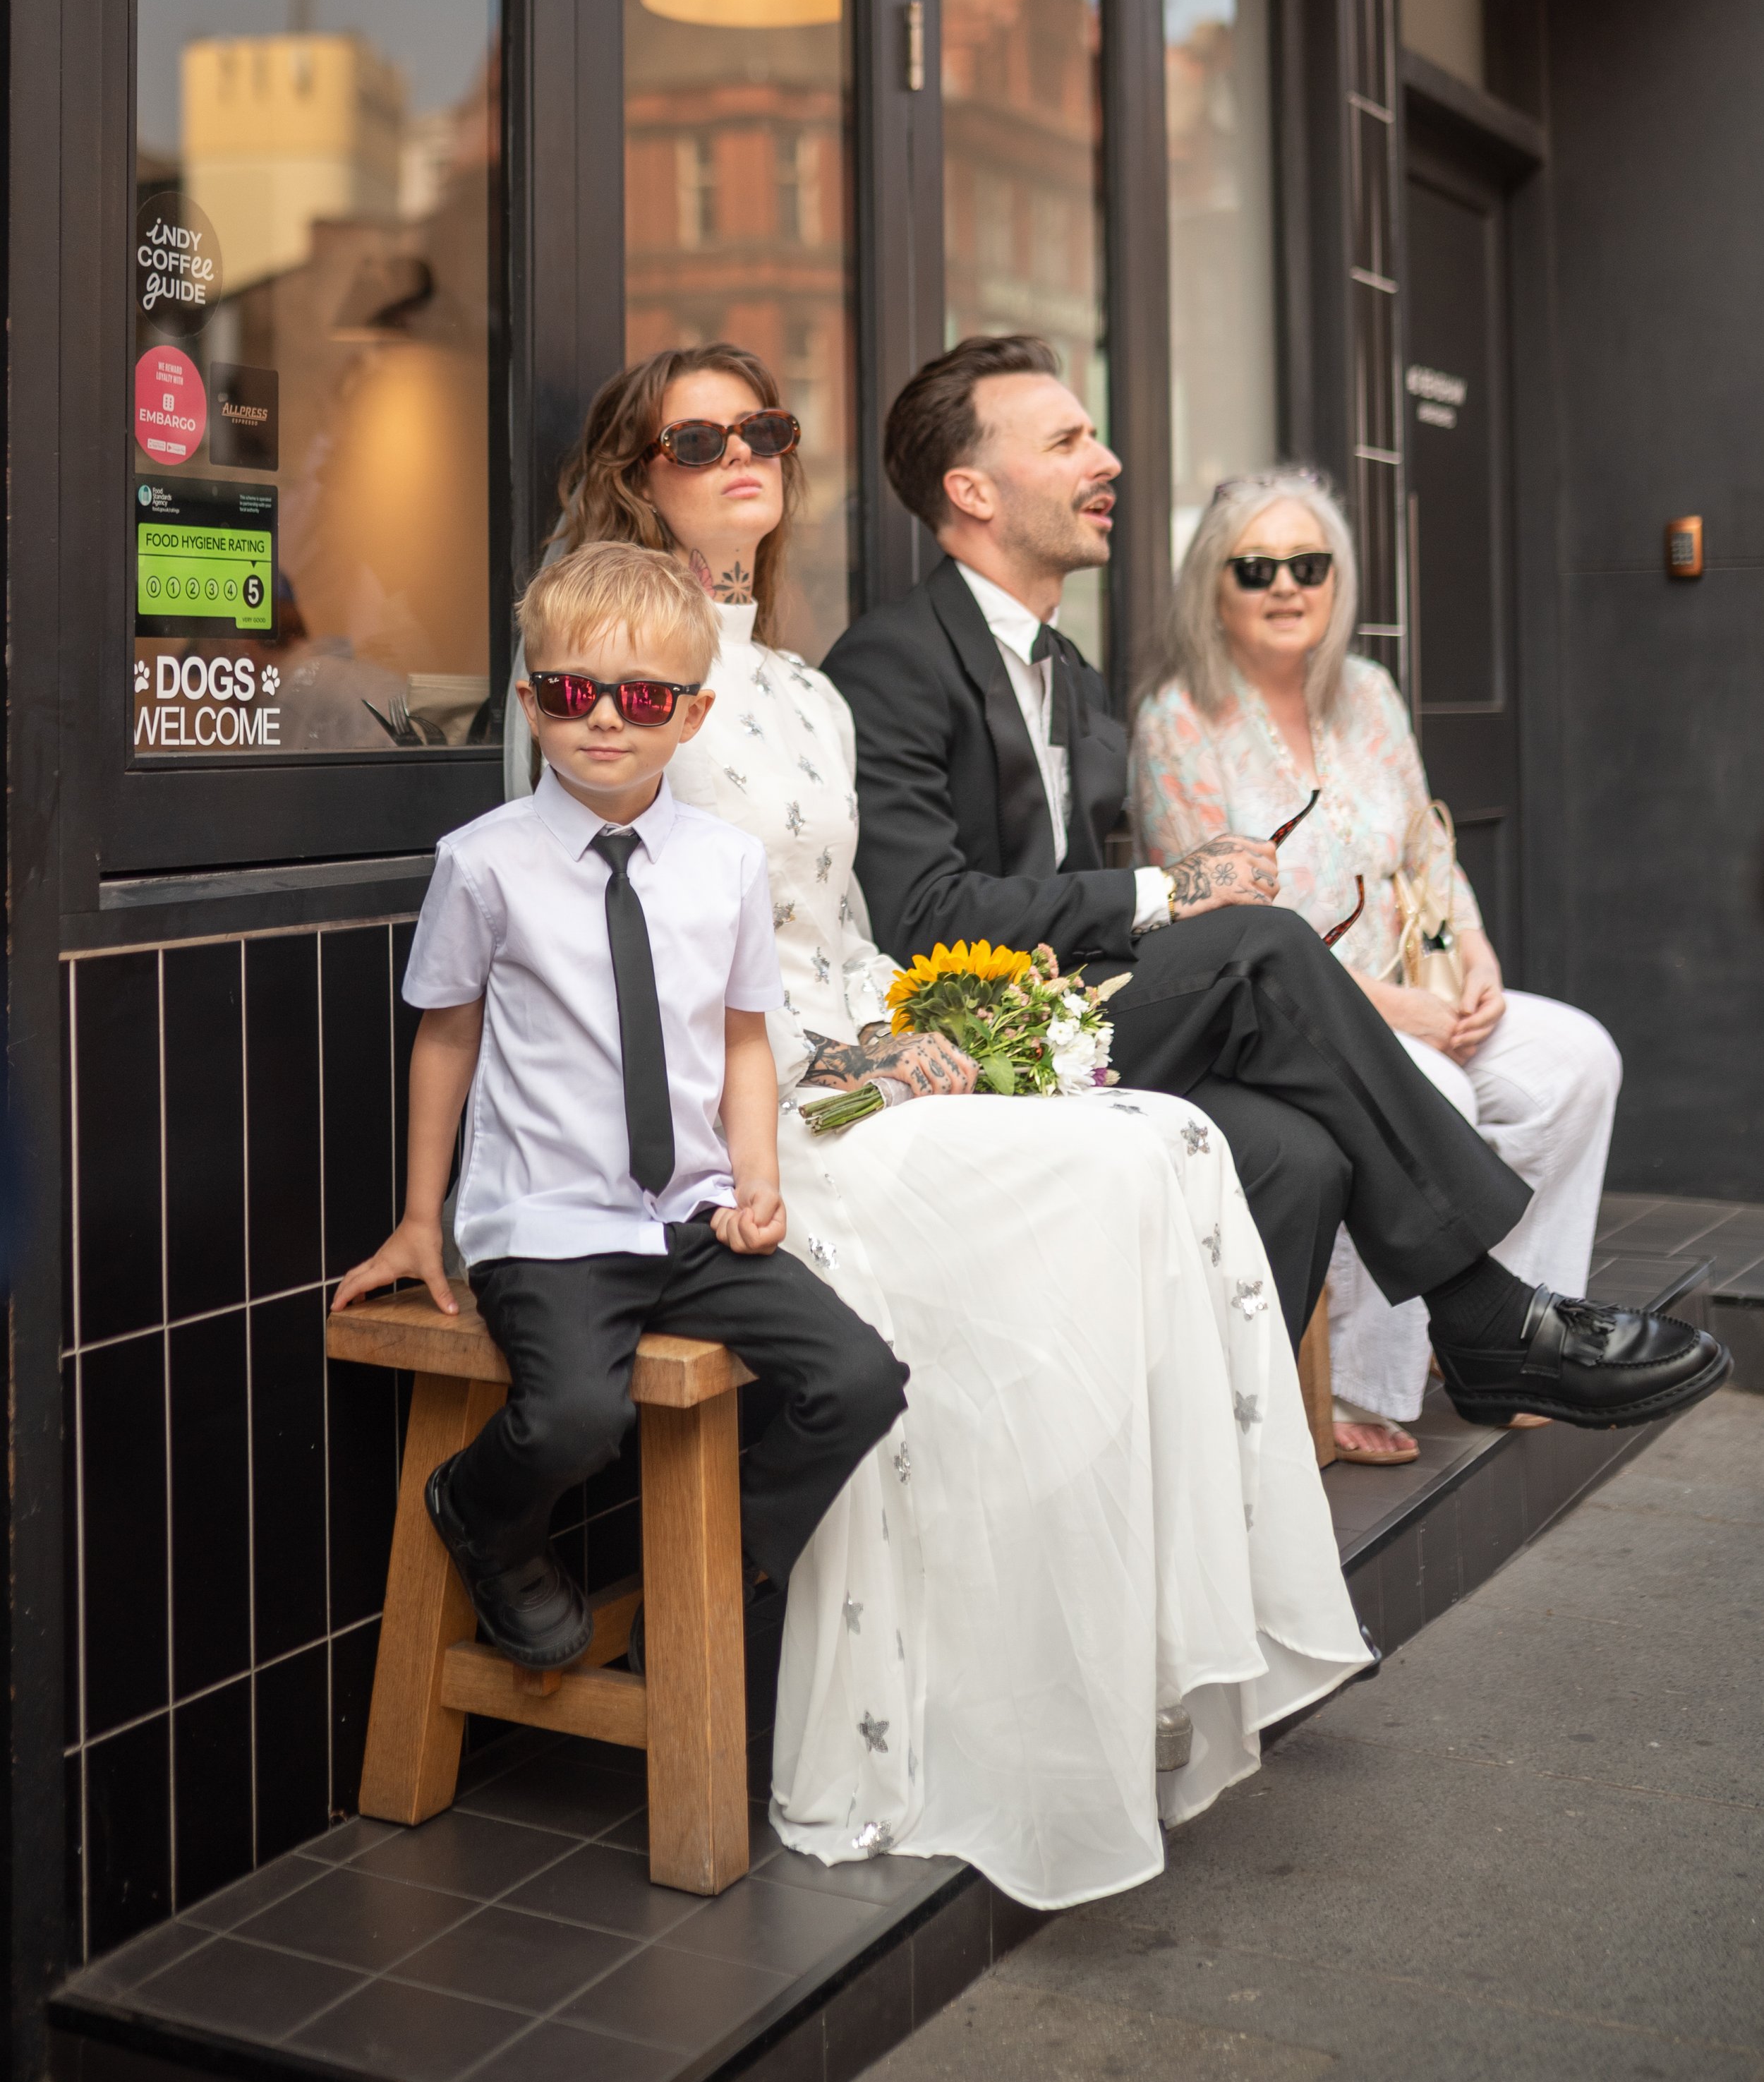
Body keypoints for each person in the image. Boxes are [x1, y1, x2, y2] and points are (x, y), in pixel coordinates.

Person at [540, 341, 1372, 1912]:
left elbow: (849, 927)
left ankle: (1099, 1674)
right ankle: (977, 1708)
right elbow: (632, 945)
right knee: (1109, 1173)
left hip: (850, 1058)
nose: (742, 458)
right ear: (633, 477)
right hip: (748, 1111)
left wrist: (913, 1032)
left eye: (765, 430)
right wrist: (837, 1071)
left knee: (1163, 1145)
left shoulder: (790, 685)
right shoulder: (609, 679)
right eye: (697, 438)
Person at [823, 332, 1727, 1435]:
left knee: (1300, 1154)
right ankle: (1488, 1316)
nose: (1107, 460)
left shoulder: (1069, 672)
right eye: (1068, 440)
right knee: (1257, 939)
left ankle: (1229, 1469)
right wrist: (1164, 892)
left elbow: (1415, 851)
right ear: (971, 491)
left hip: (1070, 1009)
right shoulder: (892, 660)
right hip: (964, 1040)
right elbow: (923, 916)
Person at [330, 541, 908, 1671]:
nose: (605, 718)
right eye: (570, 691)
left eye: (641, 696)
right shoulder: (484, 862)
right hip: (548, 1223)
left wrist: (758, 1185)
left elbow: (744, 1039)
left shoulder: (727, 865)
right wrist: (420, 1215)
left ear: (689, 716)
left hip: (690, 1217)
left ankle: (721, 1577)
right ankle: (482, 1514)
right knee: (577, 1421)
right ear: (529, 696)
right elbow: (445, 1036)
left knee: (858, 1378)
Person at [1131, 467, 1625, 1466]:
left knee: (1580, 1058)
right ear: (1211, 587)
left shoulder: (1368, 693)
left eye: (1308, 564)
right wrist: (1396, 1009)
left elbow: (1424, 851)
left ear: (1337, 579)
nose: (1286, 586)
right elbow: (1225, 927)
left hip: (1425, 984)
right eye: (1256, 567)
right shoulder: (1177, 722)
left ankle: (1508, 1339)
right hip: (1286, 1019)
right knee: (1430, 1085)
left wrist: (1474, 955)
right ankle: (1366, 1377)